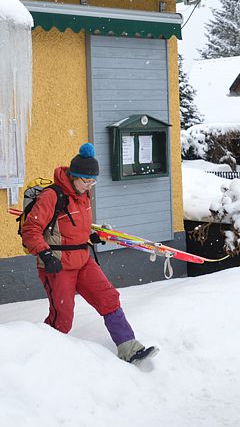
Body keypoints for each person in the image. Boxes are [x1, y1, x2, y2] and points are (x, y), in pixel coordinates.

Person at [21, 143, 157, 363]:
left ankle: (129, 348)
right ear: (73, 176)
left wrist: (90, 237)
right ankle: (43, 359)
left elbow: (71, 227)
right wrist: (45, 254)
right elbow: (31, 229)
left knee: (108, 298)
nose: (90, 185)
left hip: (82, 259)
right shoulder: (52, 196)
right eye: (86, 180)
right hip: (57, 264)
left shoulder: (83, 195)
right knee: (62, 319)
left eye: (93, 181)